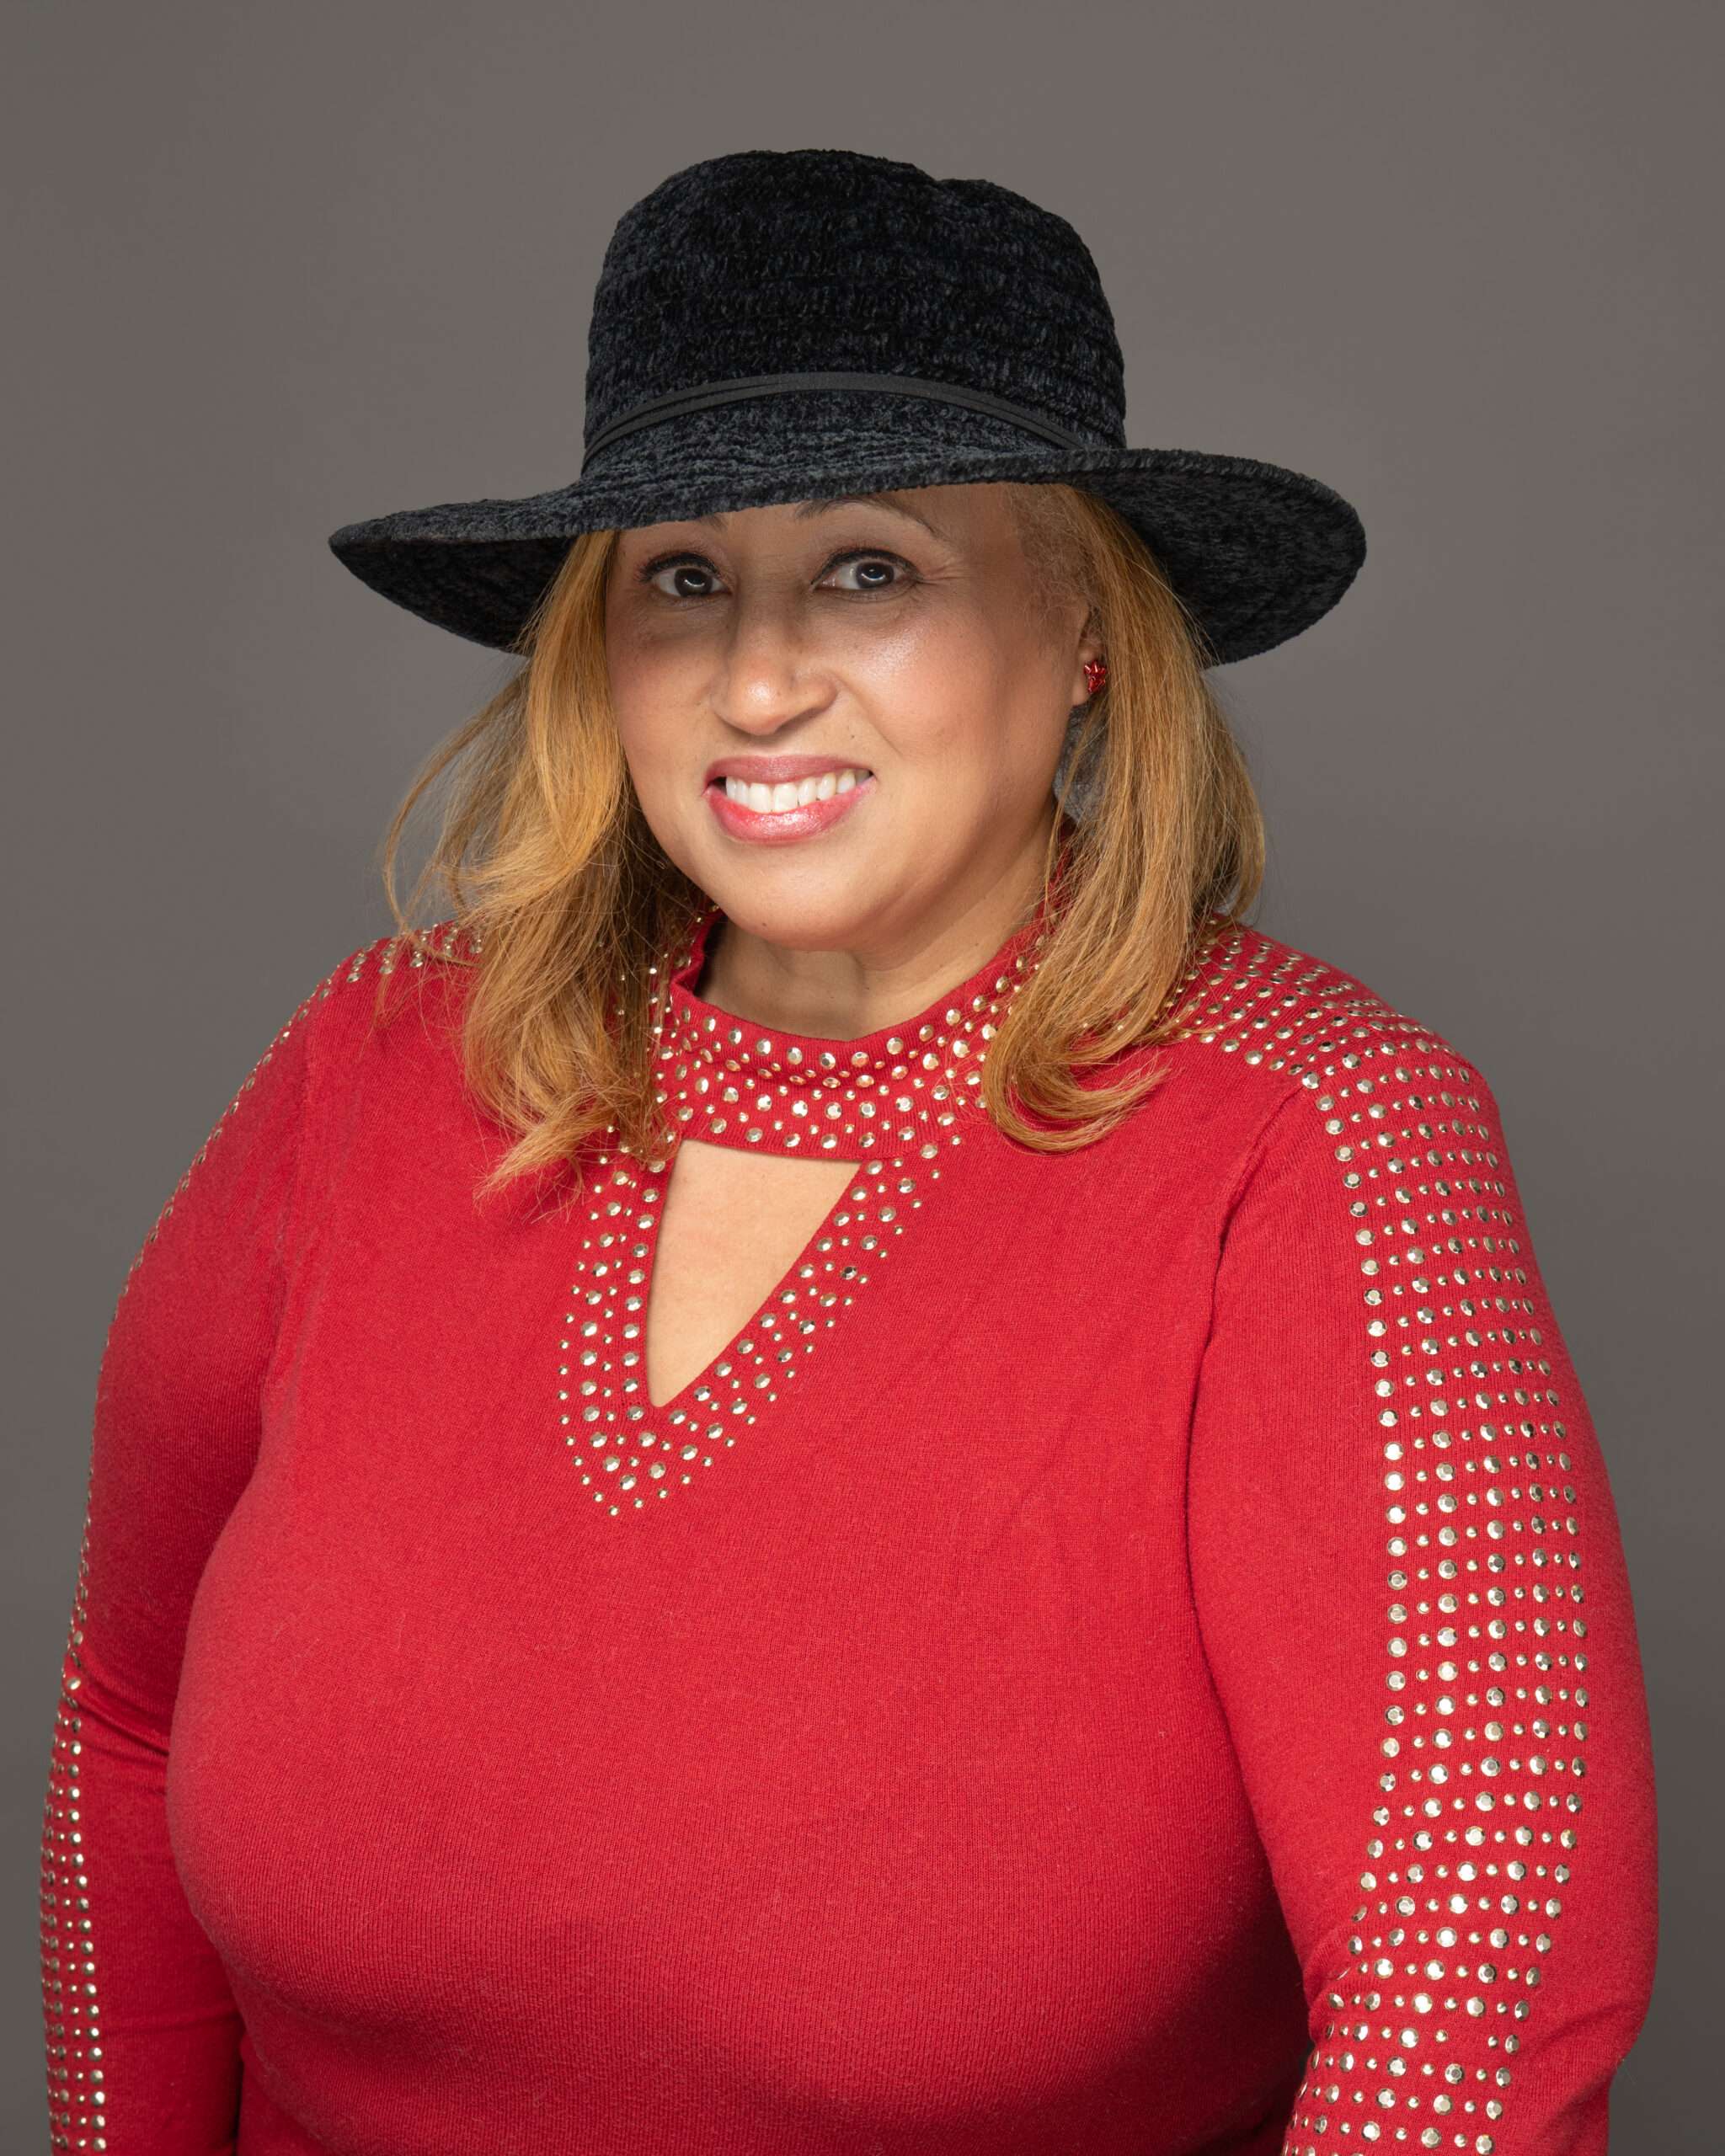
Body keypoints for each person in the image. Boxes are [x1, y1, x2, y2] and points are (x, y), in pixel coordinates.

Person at [39, 147, 1657, 2155]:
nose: (757, 676)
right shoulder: (369, 1064)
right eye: (681, 578)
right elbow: (130, 1722)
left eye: (870, 568)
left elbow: (1469, 1998)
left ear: (1085, 626)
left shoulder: (1319, 1136)